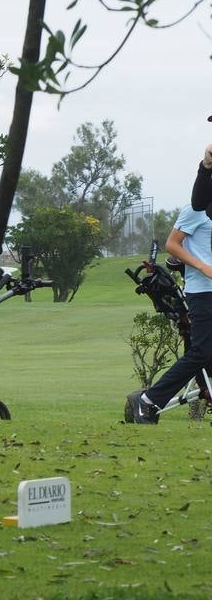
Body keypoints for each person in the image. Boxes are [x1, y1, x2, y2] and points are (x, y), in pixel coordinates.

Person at [128, 142, 212, 423]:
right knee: (202, 351)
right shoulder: (195, 210)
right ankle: (149, 400)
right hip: (202, 291)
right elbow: (172, 245)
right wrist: (202, 266)